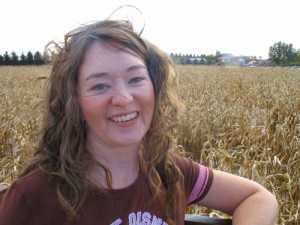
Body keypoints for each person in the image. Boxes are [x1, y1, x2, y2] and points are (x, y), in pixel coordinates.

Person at [0, 19, 278, 225]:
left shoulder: (170, 173)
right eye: (99, 86)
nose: (123, 98)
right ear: (74, 102)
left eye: (135, 79)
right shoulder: (33, 198)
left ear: (154, 88)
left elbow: (257, 197)